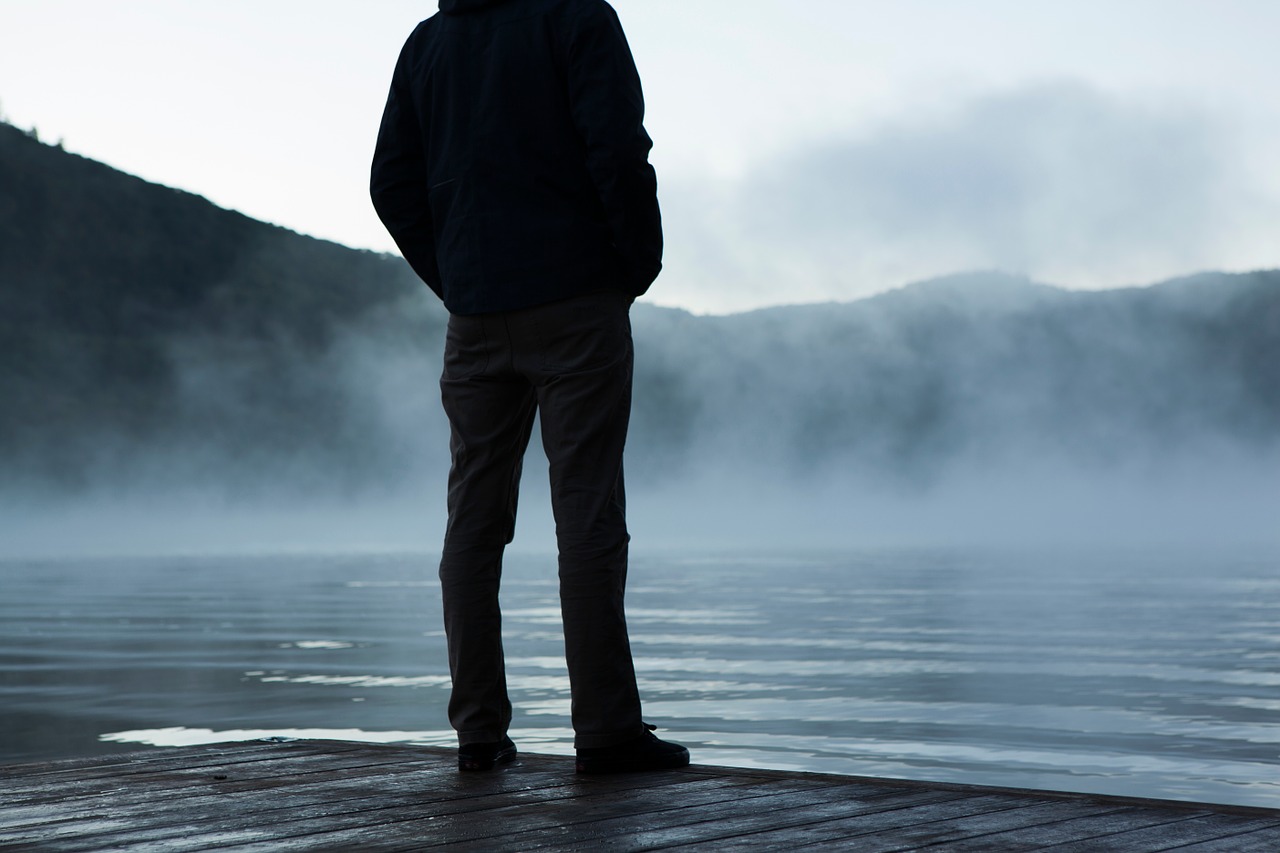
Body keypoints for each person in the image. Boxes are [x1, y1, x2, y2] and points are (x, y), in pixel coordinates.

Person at [370, 0, 689, 774]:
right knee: (586, 512)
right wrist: (633, 266)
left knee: (472, 522)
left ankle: (478, 730)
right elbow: (616, 147)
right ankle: (606, 731)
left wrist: (458, 279)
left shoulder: (428, 45)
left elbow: (391, 184)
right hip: (577, 298)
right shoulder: (576, 18)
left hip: (476, 314)